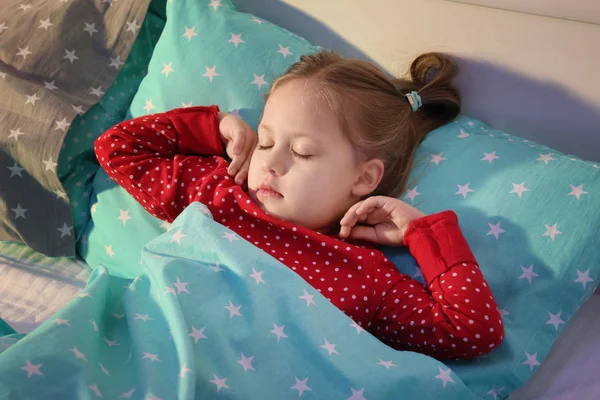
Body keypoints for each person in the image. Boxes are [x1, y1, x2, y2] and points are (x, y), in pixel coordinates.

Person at [94, 50, 504, 360]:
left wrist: (422, 234)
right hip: (143, 351)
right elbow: (117, 148)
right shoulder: (218, 193)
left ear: (363, 178)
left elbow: (471, 333)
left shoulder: (362, 274)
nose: (270, 162)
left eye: (303, 153)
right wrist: (212, 129)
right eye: (267, 141)